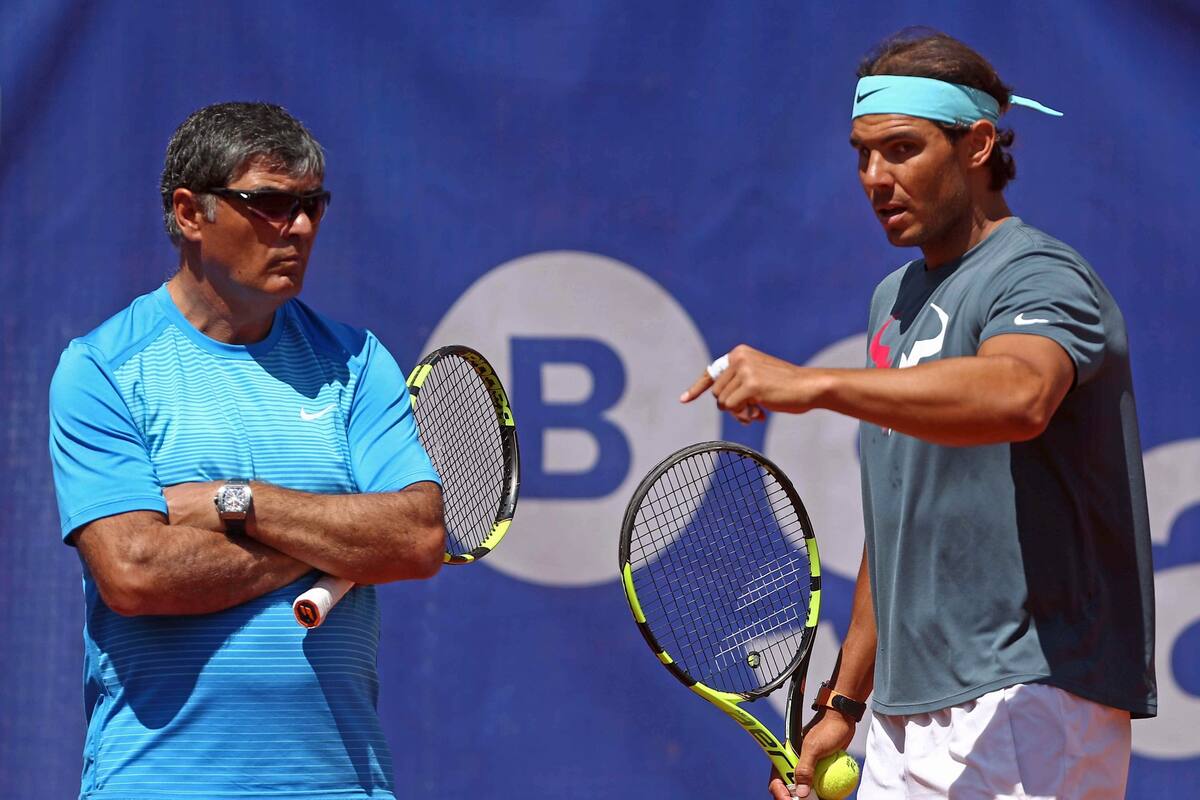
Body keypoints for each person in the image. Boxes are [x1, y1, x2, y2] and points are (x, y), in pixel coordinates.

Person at [682, 31, 1156, 799]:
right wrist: (844, 704)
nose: (874, 178)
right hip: (905, 714)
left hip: (1030, 696)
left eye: (901, 150)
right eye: (862, 154)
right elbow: (901, 519)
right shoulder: (894, 304)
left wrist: (814, 385)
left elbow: (1020, 396)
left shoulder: (1038, 273)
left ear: (975, 146)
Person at [48, 102, 445, 799]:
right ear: (189, 213)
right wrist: (341, 537)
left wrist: (240, 504)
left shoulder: (358, 362)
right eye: (268, 203)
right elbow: (136, 573)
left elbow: (415, 538)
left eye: (312, 205)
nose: (297, 227)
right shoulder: (101, 369)